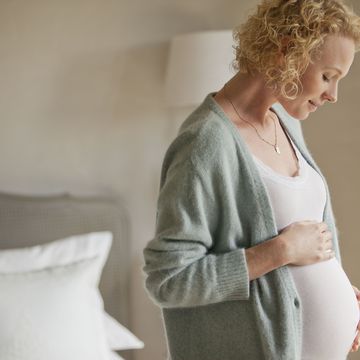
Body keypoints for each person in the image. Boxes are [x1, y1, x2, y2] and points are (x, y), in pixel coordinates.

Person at [143, 0, 360, 359]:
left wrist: (343, 297)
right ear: (288, 51)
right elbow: (168, 279)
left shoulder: (286, 123)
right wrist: (279, 251)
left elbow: (308, 235)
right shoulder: (205, 144)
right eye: (327, 76)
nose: (332, 96)